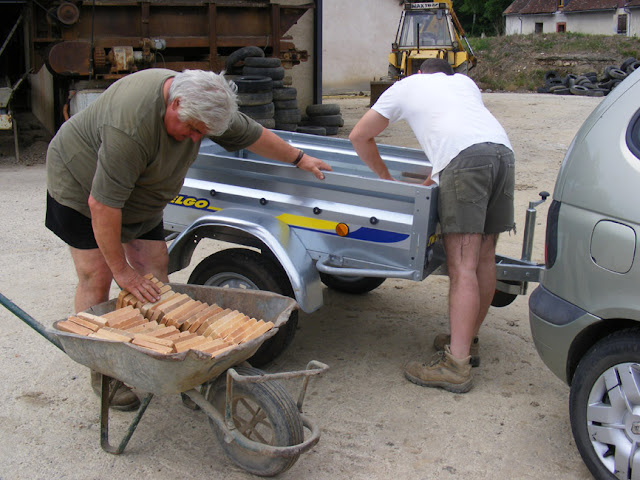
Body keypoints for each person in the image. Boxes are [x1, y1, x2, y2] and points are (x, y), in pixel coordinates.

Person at [45, 68, 332, 409]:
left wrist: (299, 158)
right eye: (193, 129)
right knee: (98, 274)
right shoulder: (130, 127)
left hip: (142, 192)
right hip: (81, 185)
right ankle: (104, 372)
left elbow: (252, 134)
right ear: (174, 103)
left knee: (154, 267)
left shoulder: (204, 104)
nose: (196, 138)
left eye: (204, 133)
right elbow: (103, 205)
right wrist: (123, 273)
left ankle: (164, 358)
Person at [349, 58, 515, 393]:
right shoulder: (464, 84)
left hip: (467, 163)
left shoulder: (406, 85)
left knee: (462, 266)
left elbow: (359, 136)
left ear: (419, 73)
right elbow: (462, 132)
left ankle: (456, 365)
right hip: (502, 154)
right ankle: (467, 341)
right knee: (483, 258)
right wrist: (432, 178)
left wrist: (385, 179)